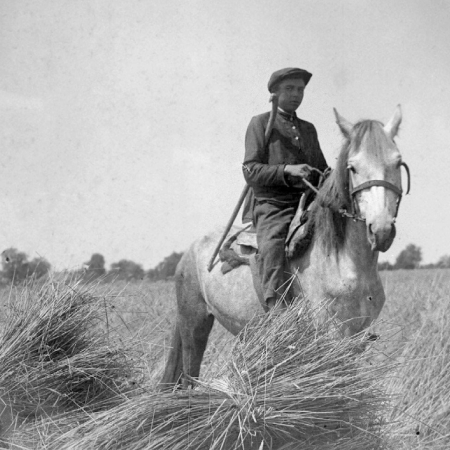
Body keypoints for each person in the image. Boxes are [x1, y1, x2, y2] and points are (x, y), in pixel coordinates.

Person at [242, 67, 328, 310]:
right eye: (289, 89)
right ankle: (277, 310)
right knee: (272, 246)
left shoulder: (309, 129)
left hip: (308, 202)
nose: (296, 94)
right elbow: (250, 170)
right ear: (275, 93)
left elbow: (322, 169)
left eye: (300, 89)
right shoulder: (260, 123)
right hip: (273, 204)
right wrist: (286, 171)